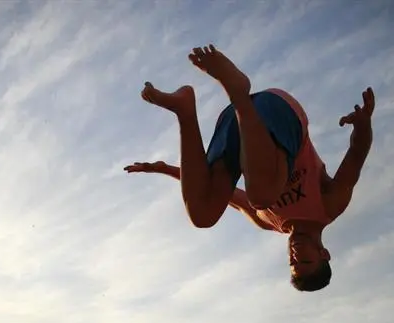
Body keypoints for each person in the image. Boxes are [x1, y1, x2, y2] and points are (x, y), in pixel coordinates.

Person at [125, 44, 374, 292]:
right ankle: (238, 91)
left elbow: (229, 197)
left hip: (238, 126)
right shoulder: (329, 206)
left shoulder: (268, 221)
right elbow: (355, 158)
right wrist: (363, 126)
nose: (295, 254)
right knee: (262, 195)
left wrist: (163, 169)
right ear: (324, 253)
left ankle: (184, 110)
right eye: (305, 259)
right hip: (279, 113)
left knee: (203, 215)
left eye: (292, 262)